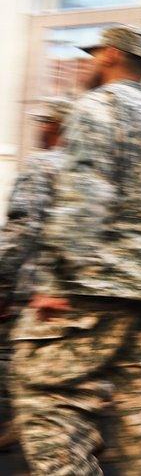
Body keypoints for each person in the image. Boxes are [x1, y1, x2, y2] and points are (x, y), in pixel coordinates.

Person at [9, 25, 141, 475]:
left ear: (110, 55)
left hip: (96, 284)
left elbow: (83, 197)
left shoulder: (96, 106)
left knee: (42, 393)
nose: (88, 64)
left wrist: (54, 280)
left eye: (92, 56)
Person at [0, 97, 71, 451]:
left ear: (56, 127)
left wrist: (1, 279)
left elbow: (22, 228)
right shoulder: (89, 168)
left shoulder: (40, 166)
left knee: (24, 373)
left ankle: (52, 451)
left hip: (37, 289)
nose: (40, 128)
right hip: (80, 291)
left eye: (45, 122)